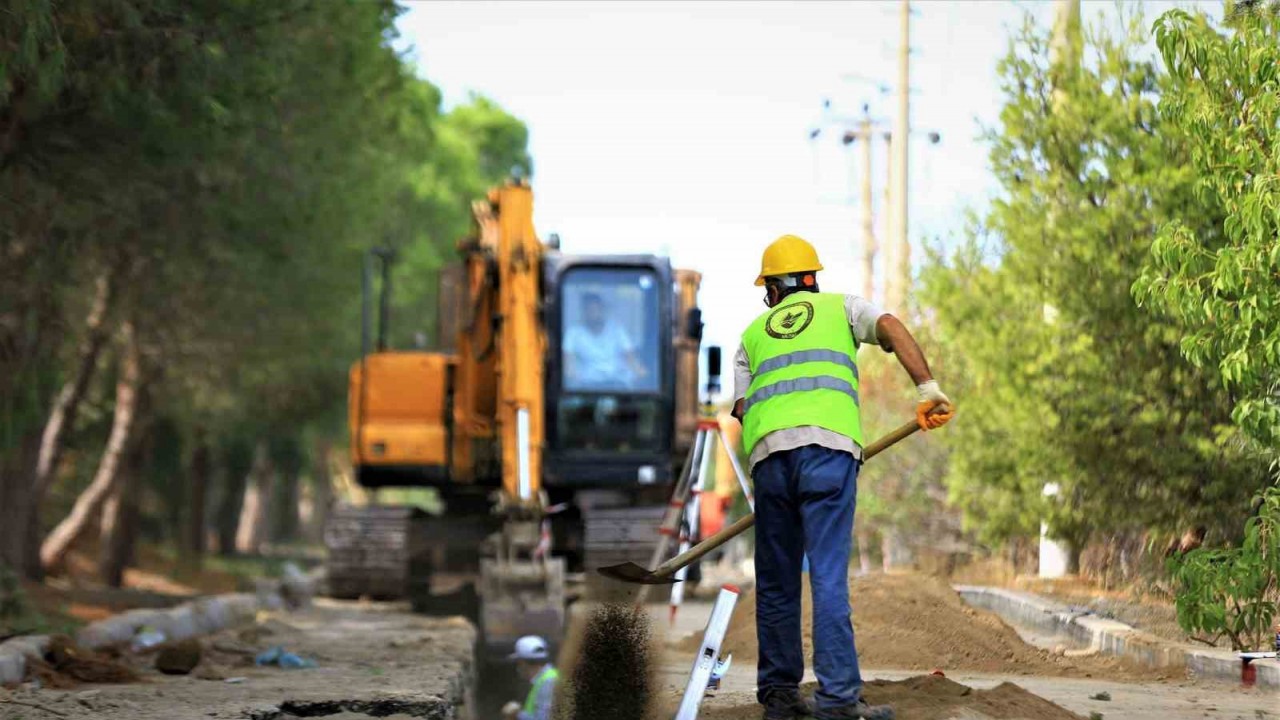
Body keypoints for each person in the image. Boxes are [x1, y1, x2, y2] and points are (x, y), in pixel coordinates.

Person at [731, 235, 953, 720]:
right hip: (828, 453)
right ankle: (836, 701)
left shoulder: (750, 337)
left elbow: (744, 409)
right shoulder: (842, 307)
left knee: (776, 585)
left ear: (774, 289)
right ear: (811, 279)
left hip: (770, 460)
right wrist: (928, 389)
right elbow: (890, 326)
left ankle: (780, 699)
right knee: (828, 577)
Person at [563, 291, 648, 389]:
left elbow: (630, 358)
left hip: (618, 383)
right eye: (589, 309)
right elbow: (567, 362)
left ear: (602, 310)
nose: (593, 313)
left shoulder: (617, 330)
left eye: (595, 309)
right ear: (583, 312)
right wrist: (571, 380)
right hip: (587, 385)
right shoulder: (573, 333)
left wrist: (643, 376)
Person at [501, 635, 559, 720]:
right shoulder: (544, 679)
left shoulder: (548, 682)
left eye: (518, 663)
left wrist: (517, 714)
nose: (518, 668)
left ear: (522, 663)